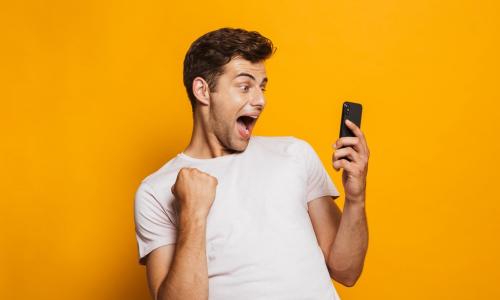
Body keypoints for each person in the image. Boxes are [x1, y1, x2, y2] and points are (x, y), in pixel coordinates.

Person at [134, 27, 370, 300]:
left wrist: (356, 197)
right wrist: (193, 216)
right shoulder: (156, 190)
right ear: (202, 90)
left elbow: (347, 271)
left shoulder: (294, 153)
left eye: (262, 87)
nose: (260, 100)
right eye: (245, 87)